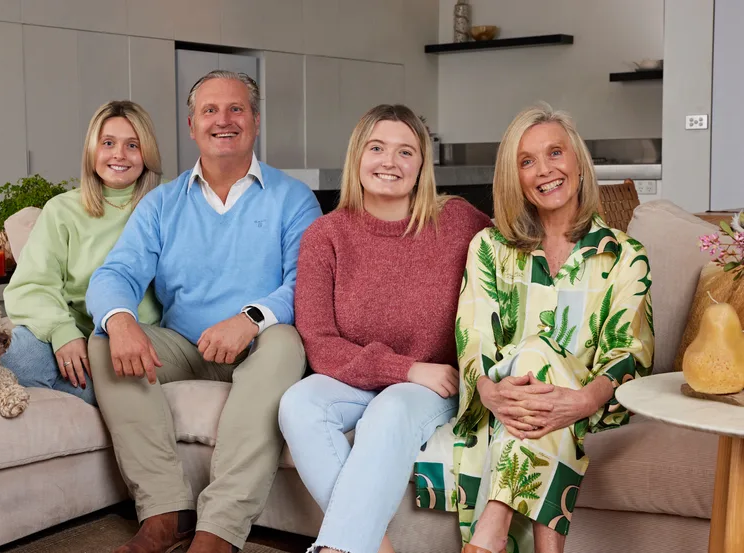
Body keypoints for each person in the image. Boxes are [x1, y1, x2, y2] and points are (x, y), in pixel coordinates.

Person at [85, 70, 322, 553]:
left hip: (260, 348)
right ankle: (165, 512)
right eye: (210, 110)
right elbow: (116, 273)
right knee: (106, 337)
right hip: (184, 346)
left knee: (284, 341)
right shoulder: (161, 204)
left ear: (255, 121)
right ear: (191, 126)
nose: (223, 120)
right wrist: (121, 320)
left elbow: (307, 284)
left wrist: (249, 319)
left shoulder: (293, 198)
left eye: (236, 109)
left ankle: (220, 528)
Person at [413, 104, 654, 553]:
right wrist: (489, 391)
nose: (544, 170)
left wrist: (581, 400)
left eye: (555, 153)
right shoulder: (489, 248)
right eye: (527, 161)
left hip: (592, 406)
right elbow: (474, 335)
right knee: (533, 360)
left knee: (535, 353)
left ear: (578, 161)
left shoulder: (625, 256)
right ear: (515, 178)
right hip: (507, 403)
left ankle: (491, 530)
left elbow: (629, 353)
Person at [277, 104, 492, 553]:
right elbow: (319, 342)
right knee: (298, 403)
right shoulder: (325, 235)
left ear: (422, 165)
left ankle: (338, 548)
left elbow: (515, 261)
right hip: (367, 377)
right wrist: (405, 368)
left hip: (435, 385)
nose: (389, 162)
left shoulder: (459, 223)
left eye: (405, 152)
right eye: (376, 148)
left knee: (390, 408)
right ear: (357, 156)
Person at [0, 100, 163, 406]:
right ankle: (91, 397)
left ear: (148, 152)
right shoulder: (62, 210)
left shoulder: (166, 203)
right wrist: (62, 332)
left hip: (133, 339)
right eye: (108, 143)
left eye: (132, 145)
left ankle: (94, 397)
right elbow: (31, 285)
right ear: (92, 150)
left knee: (111, 378)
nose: (119, 154)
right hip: (72, 334)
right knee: (17, 359)